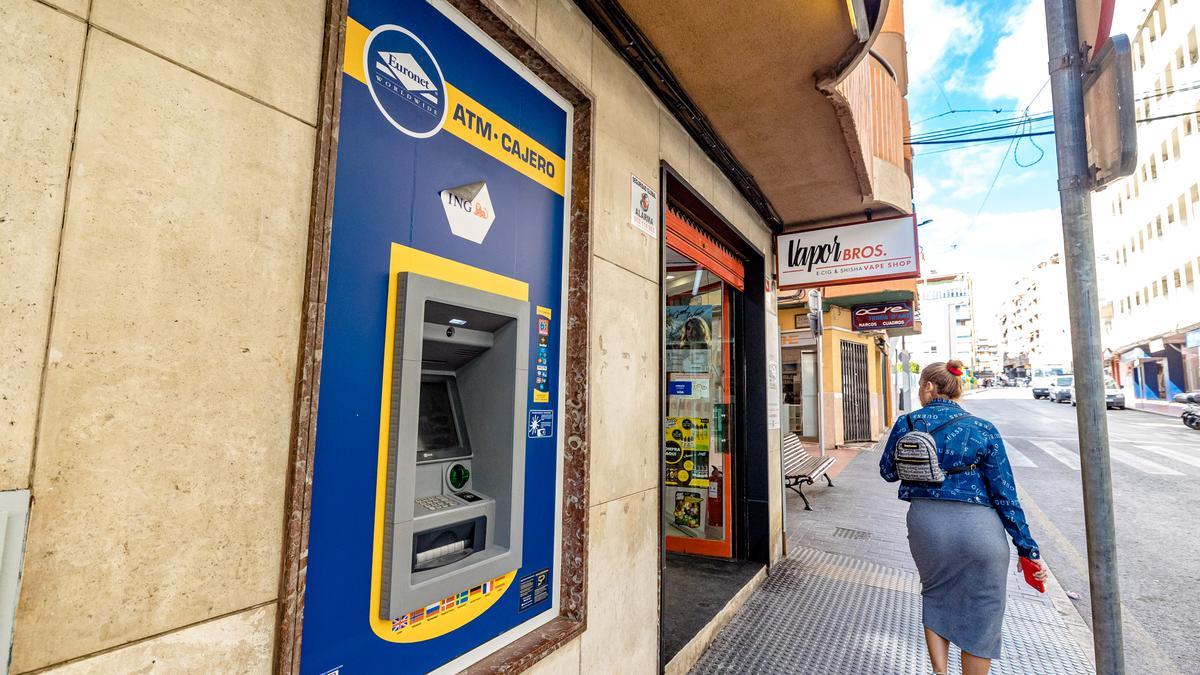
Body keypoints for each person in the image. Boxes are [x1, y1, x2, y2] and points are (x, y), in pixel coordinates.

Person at [879, 360, 1048, 675]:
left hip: (927, 524)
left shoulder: (908, 422)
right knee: (983, 615)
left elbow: (887, 472)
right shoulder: (983, 428)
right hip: (979, 529)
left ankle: (940, 673)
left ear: (929, 386)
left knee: (936, 596)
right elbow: (1005, 494)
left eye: (921, 386)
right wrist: (1027, 549)